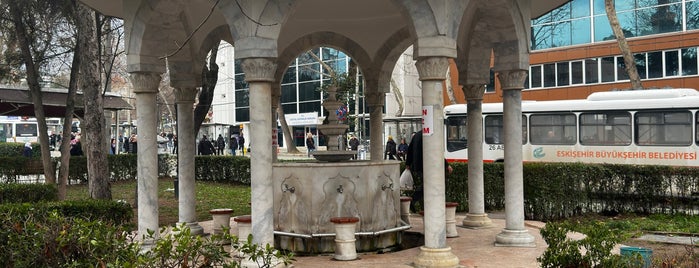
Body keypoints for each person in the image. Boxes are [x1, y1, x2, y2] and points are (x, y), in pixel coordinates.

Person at [405, 130, 452, 212]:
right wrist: (446, 165)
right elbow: (437, 151)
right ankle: (415, 200)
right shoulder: (430, 135)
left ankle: (421, 203)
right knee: (429, 185)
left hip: (418, 165)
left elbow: (410, 150)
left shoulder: (417, 135)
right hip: (428, 165)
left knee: (426, 184)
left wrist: (408, 163)